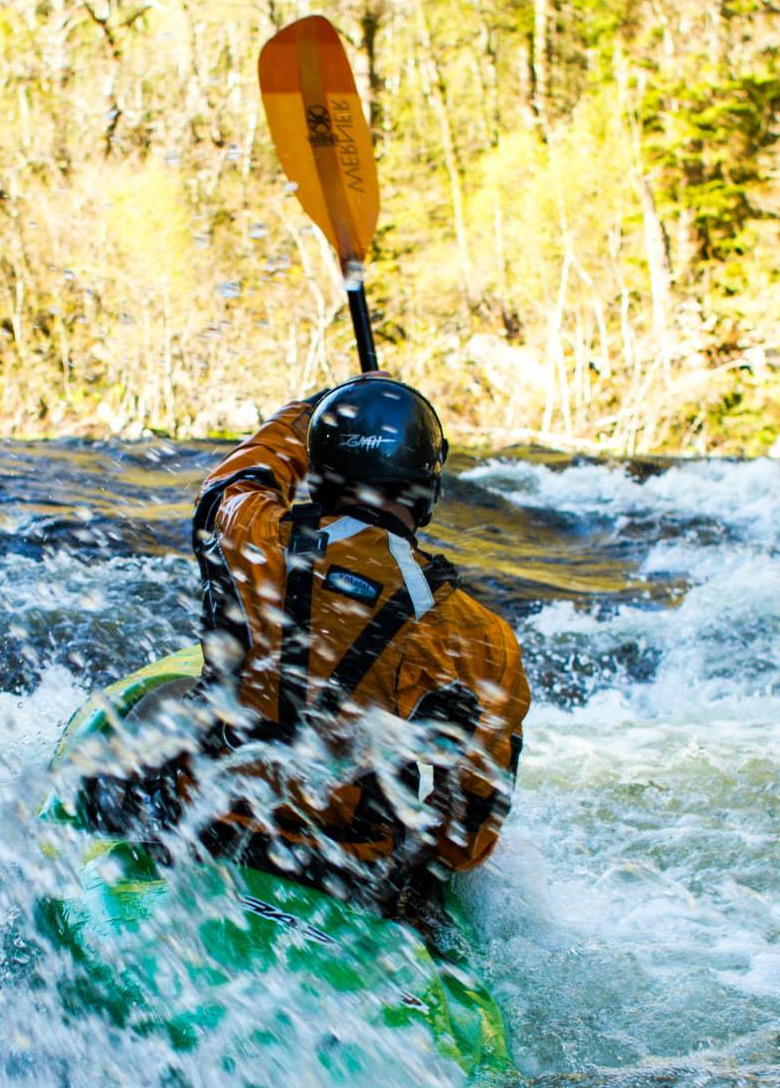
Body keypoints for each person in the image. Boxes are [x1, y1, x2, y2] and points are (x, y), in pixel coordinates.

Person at [181, 373, 531, 941]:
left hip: (209, 831)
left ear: (317, 472)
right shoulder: (476, 634)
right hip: (350, 873)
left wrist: (312, 410)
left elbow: (238, 475)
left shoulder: (249, 534)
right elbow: (468, 833)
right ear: (427, 491)